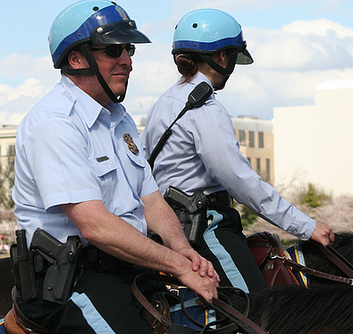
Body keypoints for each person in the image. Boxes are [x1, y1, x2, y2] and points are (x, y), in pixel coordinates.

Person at [11, 1, 218, 333]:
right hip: (70, 284)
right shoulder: (54, 122)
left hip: (126, 271)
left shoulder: (118, 118)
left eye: (128, 48)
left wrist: (184, 251)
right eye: (112, 49)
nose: (127, 60)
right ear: (76, 59)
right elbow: (94, 226)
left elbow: (150, 200)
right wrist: (178, 266)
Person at [141, 9, 335, 294]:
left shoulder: (165, 101)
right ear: (222, 57)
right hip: (205, 227)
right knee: (257, 310)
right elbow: (241, 181)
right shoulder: (207, 109)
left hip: (170, 226)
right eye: (232, 57)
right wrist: (306, 226)